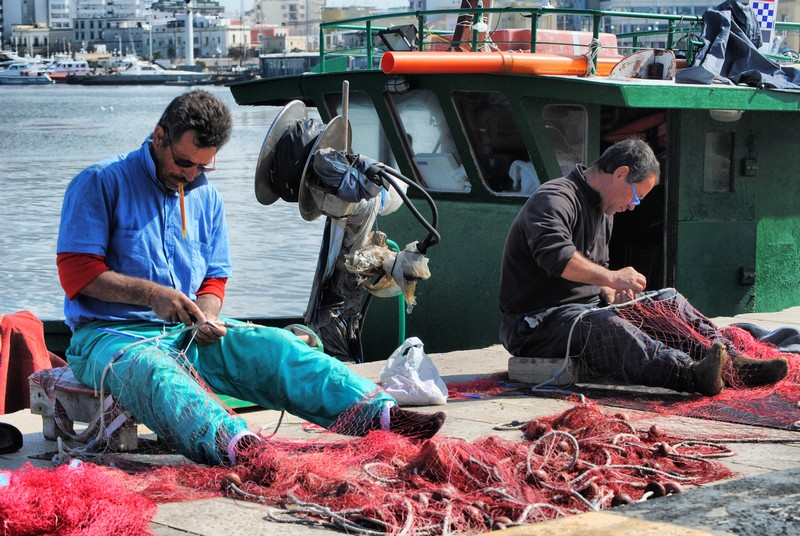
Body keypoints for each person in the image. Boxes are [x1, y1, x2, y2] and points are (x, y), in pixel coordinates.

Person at [56, 90, 445, 466]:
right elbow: (77, 274)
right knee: (153, 373)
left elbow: (214, 277)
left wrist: (207, 313)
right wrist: (153, 295)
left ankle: (380, 417)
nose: (191, 175)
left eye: (203, 167)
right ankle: (236, 447)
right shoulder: (100, 182)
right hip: (106, 337)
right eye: (183, 162)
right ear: (160, 137)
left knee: (277, 348)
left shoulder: (205, 196)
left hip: (181, 333)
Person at [498, 139, 788, 396]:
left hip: (583, 312)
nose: (634, 207)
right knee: (600, 325)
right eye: (635, 197)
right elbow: (556, 257)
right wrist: (613, 278)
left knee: (667, 301)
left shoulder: (605, 210)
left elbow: (595, 274)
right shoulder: (555, 198)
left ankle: (734, 363)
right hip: (535, 324)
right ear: (621, 174)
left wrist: (613, 293)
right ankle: (691, 375)